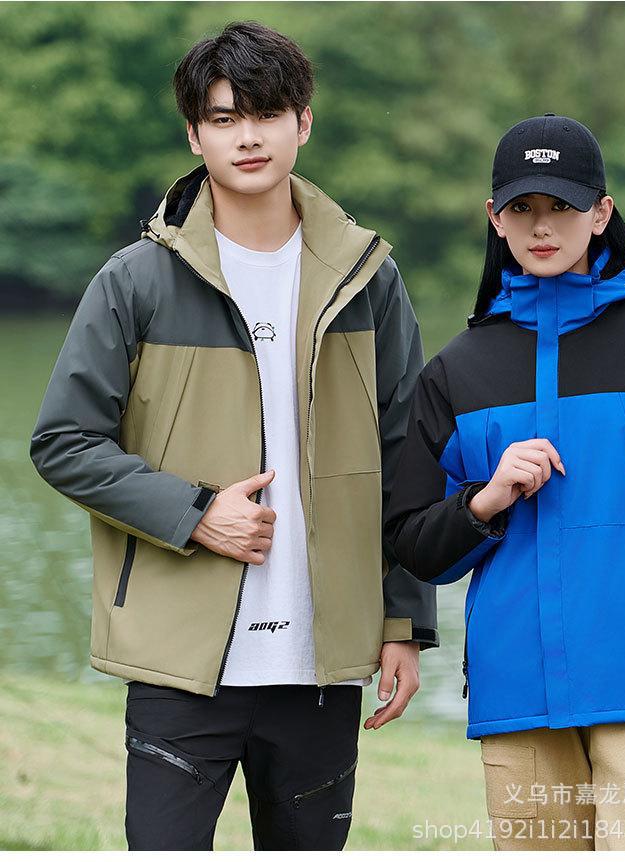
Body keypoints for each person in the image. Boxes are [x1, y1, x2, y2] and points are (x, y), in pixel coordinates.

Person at [29, 21, 438, 851]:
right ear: (195, 135)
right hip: (180, 664)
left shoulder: (367, 278)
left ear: (303, 122)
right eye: (223, 118)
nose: (247, 136)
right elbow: (64, 441)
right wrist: (194, 513)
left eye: (266, 113)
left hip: (323, 663)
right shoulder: (137, 279)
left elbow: (407, 457)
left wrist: (403, 624)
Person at [384, 113, 625, 851]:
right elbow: (412, 543)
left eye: (562, 205)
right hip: (517, 693)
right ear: (494, 218)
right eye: (523, 207)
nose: (542, 226)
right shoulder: (456, 372)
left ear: (601, 213)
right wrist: (486, 500)